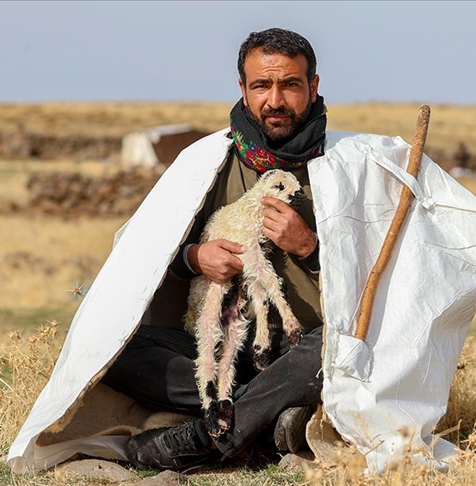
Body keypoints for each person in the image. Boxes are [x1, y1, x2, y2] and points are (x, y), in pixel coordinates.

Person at [101, 27, 328, 471]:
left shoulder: (350, 168)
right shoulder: (205, 162)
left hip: (303, 346)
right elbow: (146, 249)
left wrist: (310, 248)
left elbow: (381, 281)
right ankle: (265, 415)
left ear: (313, 87)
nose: (276, 100)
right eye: (262, 85)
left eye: (290, 84)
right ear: (243, 90)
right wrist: (194, 258)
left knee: (336, 350)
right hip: (223, 344)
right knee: (114, 345)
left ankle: (208, 436)